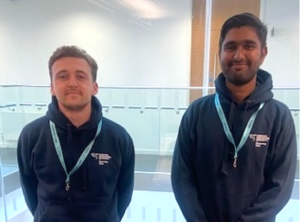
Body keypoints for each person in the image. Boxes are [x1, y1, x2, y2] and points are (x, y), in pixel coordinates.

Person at [171, 13, 297, 222]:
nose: (238, 55)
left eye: (249, 46)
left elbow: (280, 188)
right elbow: (182, 178)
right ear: (220, 53)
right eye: (230, 47)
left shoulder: (279, 117)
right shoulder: (197, 112)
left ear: (263, 53)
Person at [17, 45, 135, 222]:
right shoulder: (31, 135)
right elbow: (29, 190)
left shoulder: (119, 137)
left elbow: (124, 193)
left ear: (94, 87)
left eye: (80, 76)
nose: (72, 83)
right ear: (52, 87)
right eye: (62, 76)